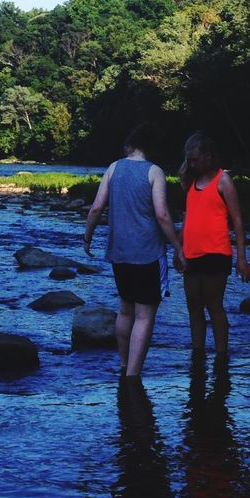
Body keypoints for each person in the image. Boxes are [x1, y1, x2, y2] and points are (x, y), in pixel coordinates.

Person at [84, 126, 185, 379]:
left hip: (119, 252)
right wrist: (178, 246)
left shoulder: (113, 168)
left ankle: (123, 363)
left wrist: (87, 237)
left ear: (130, 144)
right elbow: (162, 214)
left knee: (125, 309)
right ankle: (133, 374)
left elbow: (96, 208)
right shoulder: (154, 172)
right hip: (148, 253)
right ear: (151, 148)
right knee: (144, 315)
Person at [177, 132, 250, 354]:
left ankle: (221, 355)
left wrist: (242, 258)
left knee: (213, 304)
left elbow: (237, 219)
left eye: (196, 159)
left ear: (209, 156)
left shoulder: (223, 181)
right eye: (190, 160)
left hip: (216, 253)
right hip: (191, 252)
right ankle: (197, 353)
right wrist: (178, 248)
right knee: (193, 305)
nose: (192, 163)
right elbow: (188, 215)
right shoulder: (191, 181)